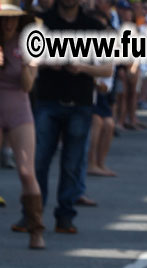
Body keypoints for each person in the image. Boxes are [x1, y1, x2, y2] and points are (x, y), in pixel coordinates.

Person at [29, 0, 110, 236]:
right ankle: (33, 215)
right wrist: (46, 62)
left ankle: (65, 216)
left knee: (72, 164)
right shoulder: (43, 23)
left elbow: (107, 69)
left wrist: (83, 67)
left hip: (80, 103)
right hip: (48, 101)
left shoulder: (93, 26)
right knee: (39, 161)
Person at [2, 0, 43, 249]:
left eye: (12, 19)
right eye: (3, 19)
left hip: (19, 110)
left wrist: (28, 66)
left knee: (27, 172)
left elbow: (28, 86)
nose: (7, 24)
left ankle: (36, 229)